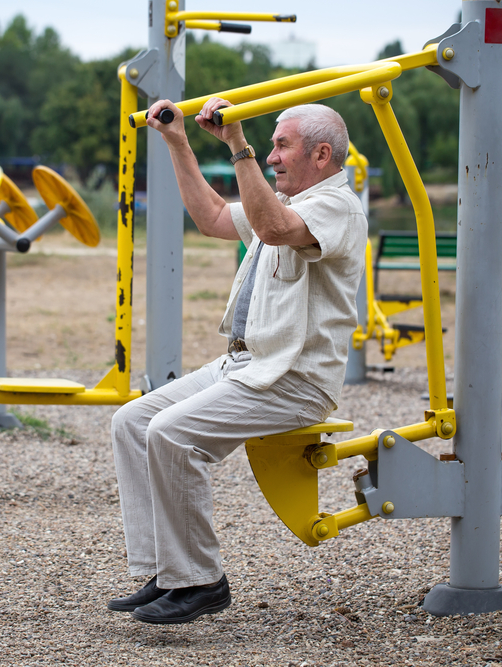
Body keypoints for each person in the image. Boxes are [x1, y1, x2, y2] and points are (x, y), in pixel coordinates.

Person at [107, 97, 367, 625]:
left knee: (172, 433)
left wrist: (238, 144)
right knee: (131, 422)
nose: (271, 157)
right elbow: (210, 217)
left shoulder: (336, 208)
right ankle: (168, 571)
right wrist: (179, 143)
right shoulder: (282, 201)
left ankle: (202, 580)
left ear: (321, 155)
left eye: (280, 145)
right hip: (248, 365)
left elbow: (272, 229)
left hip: (293, 379)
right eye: (269, 147)